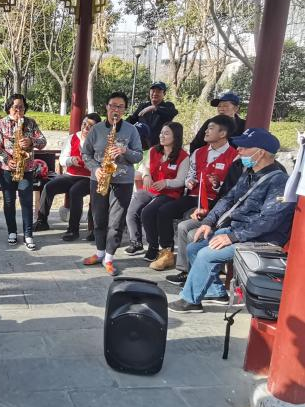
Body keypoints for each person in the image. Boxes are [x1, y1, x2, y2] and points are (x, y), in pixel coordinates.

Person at [169, 128, 296, 313]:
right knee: (194, 247)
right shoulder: (248, 173)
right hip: (238, 231)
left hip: (261, 239)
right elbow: (227, 199)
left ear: (261, 152)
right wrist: (208, 222)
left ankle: (190, 301)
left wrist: (232, 237)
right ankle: (215, 292)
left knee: (206, 254)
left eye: (244, 147)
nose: (239, 150)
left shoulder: (280, 181)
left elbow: (270, 220)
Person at [147, 114, 239, 269]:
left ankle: (193, 264)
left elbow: (231, 188)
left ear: (222, 133)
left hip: (215, 200)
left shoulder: (234, 157)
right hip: (194, 196)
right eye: (207, 128)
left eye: (211, 128)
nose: (206, 131)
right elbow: (191, 174)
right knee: (164, 211)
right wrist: (190, 181)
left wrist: (217, 184)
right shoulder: (198, 152)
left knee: (187, 221)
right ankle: (167, 252)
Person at [81, 92, 143, 275]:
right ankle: (100, 253)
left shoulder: (131, 130)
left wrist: (125, 151)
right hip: (99, 179)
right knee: (98, 219)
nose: (116, 110)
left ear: (124, 110)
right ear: (106, 107)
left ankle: (108, 258)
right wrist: (95, 169)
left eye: (120, 106)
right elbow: (86, 154)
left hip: (122, 181)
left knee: (116, 222)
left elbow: (138, 155)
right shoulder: (96, 129)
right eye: (113, 106)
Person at [125, 122, 189, 259]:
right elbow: (145, 167)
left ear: (176, 136)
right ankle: (136, 242)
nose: (162, 136)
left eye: (166, 133)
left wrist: (166, 183)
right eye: (161, 133)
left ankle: (155, 246)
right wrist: (146, 175)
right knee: (133, 208)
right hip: (151, 189)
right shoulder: (154, 150)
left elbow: (181, 180)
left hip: (169, 193)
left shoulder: (183, 156)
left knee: (148, 212)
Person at [33, 113, 101, 241]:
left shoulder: (99, 141)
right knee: (49, 187)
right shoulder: (72, 138)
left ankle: (73, 230)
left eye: (90, 126)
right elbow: (62, 160)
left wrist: (90, 165)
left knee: (75, 191)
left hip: (89, 178)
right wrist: (71, 160)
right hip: (71, 175)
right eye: (84, 124)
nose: (85, 128)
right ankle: (42, 221)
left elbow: (100, 162)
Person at [0, 94, 47, 250]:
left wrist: (31, 141)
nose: (19, 110)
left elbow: (43, 141)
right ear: (9, 107)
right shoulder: (1, 123)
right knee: (9, 202)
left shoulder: (30, 123)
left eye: (21, 107)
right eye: (15, 107)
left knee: (26, 202)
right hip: (7, 169)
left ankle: (28, 234)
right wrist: (6, 159)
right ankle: (12, 232)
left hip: (26, 168)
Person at [127, 81, 178, 148]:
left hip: (159, 148)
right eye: (153, 91)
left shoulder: (168, 106)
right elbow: (131, 120)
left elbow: (173, 112)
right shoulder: (143, 106)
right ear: (149, 92)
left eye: (158, 91)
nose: (155, 93)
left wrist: (154, 108)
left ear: (164, 94)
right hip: (140, 147)